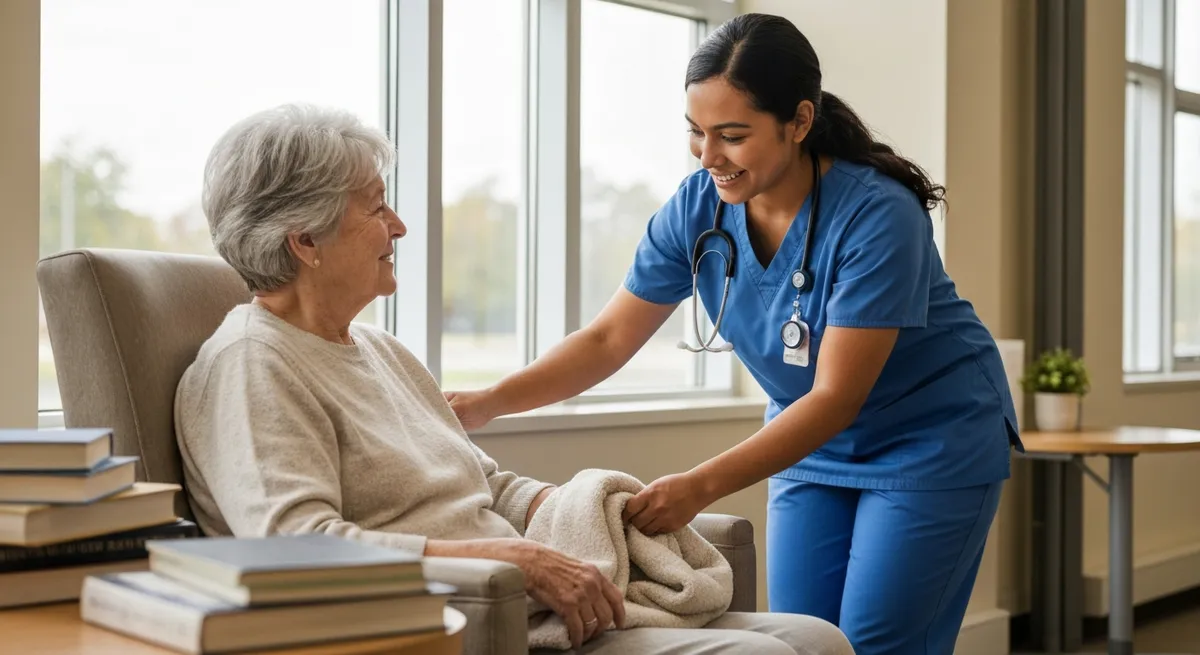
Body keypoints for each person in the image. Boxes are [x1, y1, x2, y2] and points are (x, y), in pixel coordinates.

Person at [174, 103, 853, 655]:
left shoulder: (380, 350)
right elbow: (295, 545)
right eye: (376, 207)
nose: (399, 225)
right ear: (305, 241)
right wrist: (515, 559)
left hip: (529, 599)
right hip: (461, 618)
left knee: (817, 639)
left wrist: (589, 511)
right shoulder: (251, 364)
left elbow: (486, 483)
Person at [445, 12, 1023, 655]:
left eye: (733, 135)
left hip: (927, 438)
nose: (708, 156)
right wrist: (486, 402)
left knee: (879, 646)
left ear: (799, 122)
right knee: (808, 642)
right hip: (808, 445)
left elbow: (837, 396)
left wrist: (697, 487)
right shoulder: (697, 207)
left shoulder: (878, 215)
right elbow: (608, 340)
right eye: (696, 133)